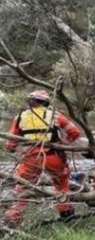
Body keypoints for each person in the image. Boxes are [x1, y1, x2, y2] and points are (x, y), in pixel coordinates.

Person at [4, 90, 82, 227]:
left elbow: (10, 144)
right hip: (53, 156)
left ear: (31, 102)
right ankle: (67, 218)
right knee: (61, 186)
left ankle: (12, 221)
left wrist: (12, 149)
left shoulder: (20, 117)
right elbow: (75, 132)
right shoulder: (56, 116)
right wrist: (65, 143)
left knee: (23, 189)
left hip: (30, 158)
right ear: (46, 103)